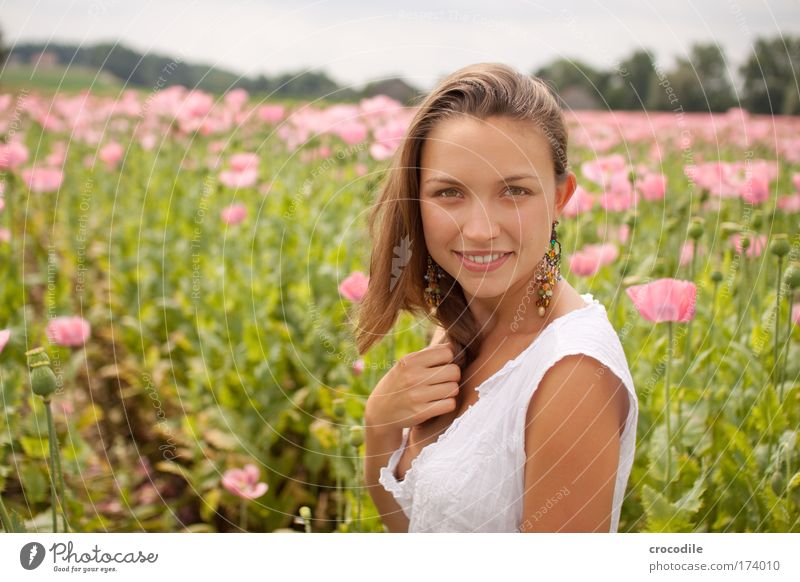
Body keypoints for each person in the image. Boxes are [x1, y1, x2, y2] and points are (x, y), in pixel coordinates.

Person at [355, 62, 638, 533]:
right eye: (449, 192)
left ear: (560, 197)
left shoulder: (573, 372)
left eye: (514, 191)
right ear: (415, 202)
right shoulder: (458, 321)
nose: (482, 230)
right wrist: (379, 426)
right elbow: (415, 530)